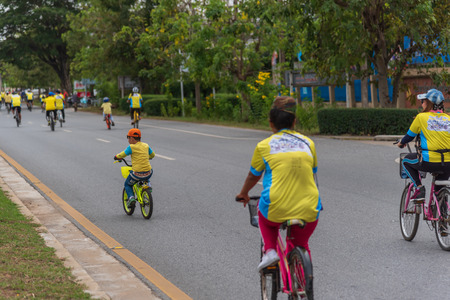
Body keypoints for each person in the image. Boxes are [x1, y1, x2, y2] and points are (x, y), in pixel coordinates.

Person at [236, 96, 322, 272]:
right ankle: (303, 282)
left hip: (276, 207)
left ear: (270, 123)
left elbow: (253, 176)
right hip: (310, 207)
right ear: (294, 121)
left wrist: (243, 193)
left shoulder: (264, 145)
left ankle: (269, 251)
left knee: (262, 213)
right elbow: (312, 173)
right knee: (301, 243)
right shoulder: (308, 143)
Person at [397, 88, 450, 202]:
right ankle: (443, 213)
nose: (422, 104)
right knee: (439, 191)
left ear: (428, 103)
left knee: (406, 161)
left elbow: (409, 136)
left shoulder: (421, 117)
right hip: (448, 163)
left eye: (423, 101)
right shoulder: (448, 118)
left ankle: (419, 189)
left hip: (429, 161)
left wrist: (401, 143)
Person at [114, 129, 155, 208]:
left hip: (137, 174)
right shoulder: (146, 145)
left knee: (127, 184)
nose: (128, 140)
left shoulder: (131, 147)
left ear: (132, 138)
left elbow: (122, 155)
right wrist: (146, 157)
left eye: (128, 137)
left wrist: (116, 157)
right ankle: (148, 185)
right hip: (149, 172)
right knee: (146, 173)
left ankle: (131, 198)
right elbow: (152, 155)